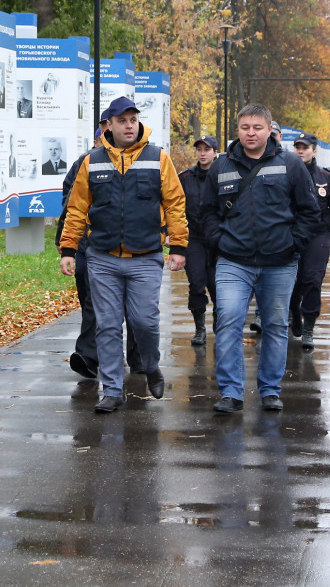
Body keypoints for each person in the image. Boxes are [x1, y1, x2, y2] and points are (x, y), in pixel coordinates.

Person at [59, 96, 188, 413]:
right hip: (103, 258)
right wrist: (68, 248)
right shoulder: (92, 162)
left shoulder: (158, 158)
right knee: (107, 325)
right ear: (110, 126)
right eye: (121, 120)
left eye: (133, 119)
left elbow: (174, 203)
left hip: (145, 257)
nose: (128, 125)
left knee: (144, 322)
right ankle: (113, 390)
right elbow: (76, 208)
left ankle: (151, 365)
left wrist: (179, 246)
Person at [200, 104, 321, 414]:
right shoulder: (221, 166)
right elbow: (208, 211)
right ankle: (231, 392)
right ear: (237, 131)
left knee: (276, 325)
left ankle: (269, 390)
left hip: (279, 263)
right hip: (233, 261)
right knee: (227, 320)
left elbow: (310, 212)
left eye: (257, 127)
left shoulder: (291, 165)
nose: (250, 133)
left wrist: (293, 243)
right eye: (244, 127)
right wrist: (218, 241)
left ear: (270, 130)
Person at [58, 117, 142, 383]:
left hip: (134, 248)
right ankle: (89, 357)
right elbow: (71, 205)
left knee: (136, 308)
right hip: (91, 247)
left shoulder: (144, 159)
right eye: (103, 135)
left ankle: (138, 357)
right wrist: (67, 247)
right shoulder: (85, 163)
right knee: (93, 305)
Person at [289, 133, 330, 350]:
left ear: (314, 151)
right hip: (291, 235)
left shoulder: (326, 178)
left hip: (318, 236)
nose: (301, 151)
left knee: (312, 280)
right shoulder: (285, 175)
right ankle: (294, 312)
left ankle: (308, 327)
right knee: (292, 282)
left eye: (305, 147)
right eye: (298, 147)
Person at [179, 135, 220, 346]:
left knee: (217, 284)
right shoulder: (185, 178)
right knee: (196, 283)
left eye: (207, 149)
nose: (202, 153)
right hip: (193, 237)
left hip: (218, 240)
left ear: (215, 152)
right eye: (199, 149)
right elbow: (174, 205)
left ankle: (219, 324)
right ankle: (199, 328)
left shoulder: (223, 175)